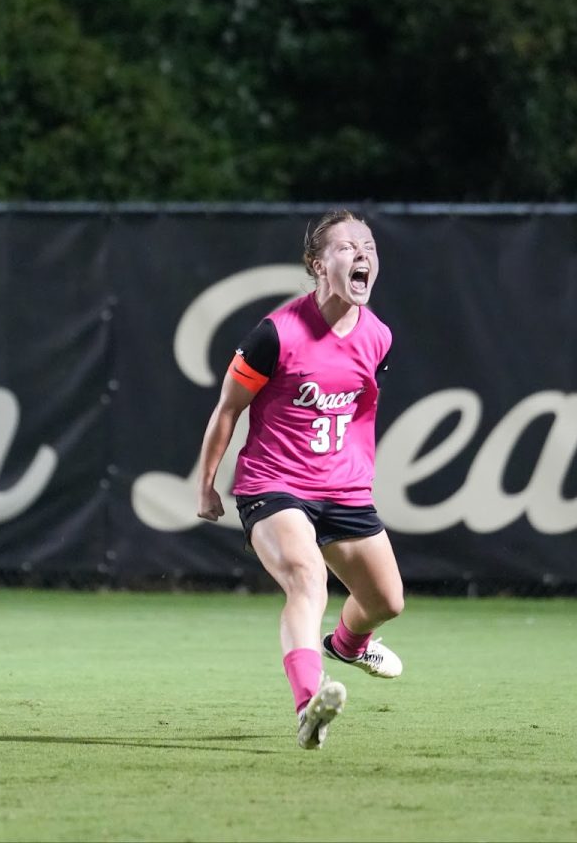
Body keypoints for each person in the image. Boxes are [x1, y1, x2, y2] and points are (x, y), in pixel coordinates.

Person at [195, 209, 405, 750]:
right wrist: (207, 484)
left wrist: (355, 472)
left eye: (369, 246)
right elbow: (227, 409)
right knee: (307, 578)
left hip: (344, 490)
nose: (362, 254)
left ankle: (349, 644)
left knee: (386, 601)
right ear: (317, 265)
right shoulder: (275, 334)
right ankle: (310, 704)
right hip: (274, 484)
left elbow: (360, 411)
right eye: (346, 247)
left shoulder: (377, 336)